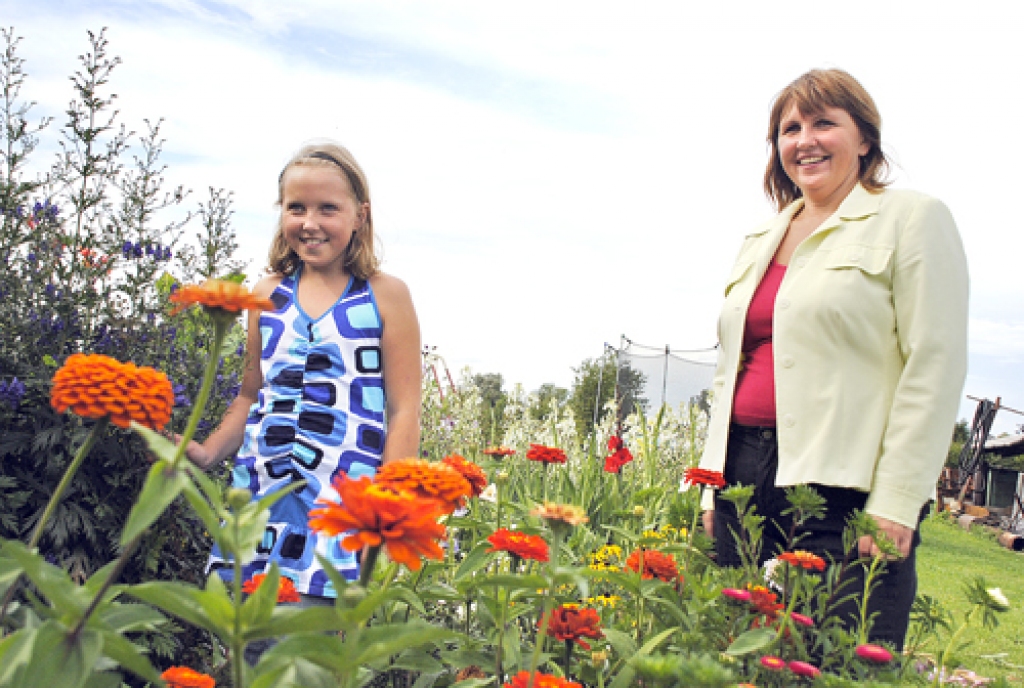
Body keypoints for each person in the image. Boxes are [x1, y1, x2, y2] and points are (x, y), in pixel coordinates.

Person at [695, 69, 968, 650]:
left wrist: (898, 500)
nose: (804, 140)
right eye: (790, 128)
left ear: (864, 138)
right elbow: (729, 374)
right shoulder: (762, 238)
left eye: (824, 122)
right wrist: (709, 488)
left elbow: (934, 365)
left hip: (841, 484)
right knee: (731, 652)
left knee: (837, 654)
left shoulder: (911, 218)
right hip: (742, 474)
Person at [184, 141, 422, 609]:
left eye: (327, 208)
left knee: (307, 654)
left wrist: (389, 506)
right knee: (245, 647)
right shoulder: (265, 294)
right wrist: (208, 451)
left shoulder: (385, 295)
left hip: (339, 509)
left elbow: (404, 408)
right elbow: (250, 394)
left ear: (360, 216)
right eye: (296, 207)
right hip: (258, 501)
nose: (309, 222)